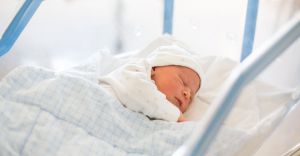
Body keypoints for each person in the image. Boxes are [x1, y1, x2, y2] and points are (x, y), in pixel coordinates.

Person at [98, 45, 204, 122]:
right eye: (182, 81)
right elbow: (137, 90)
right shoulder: (135, 70)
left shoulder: (157, 114)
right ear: (154, 68)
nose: (187, 94)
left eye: (191, 98)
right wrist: (176, 116)